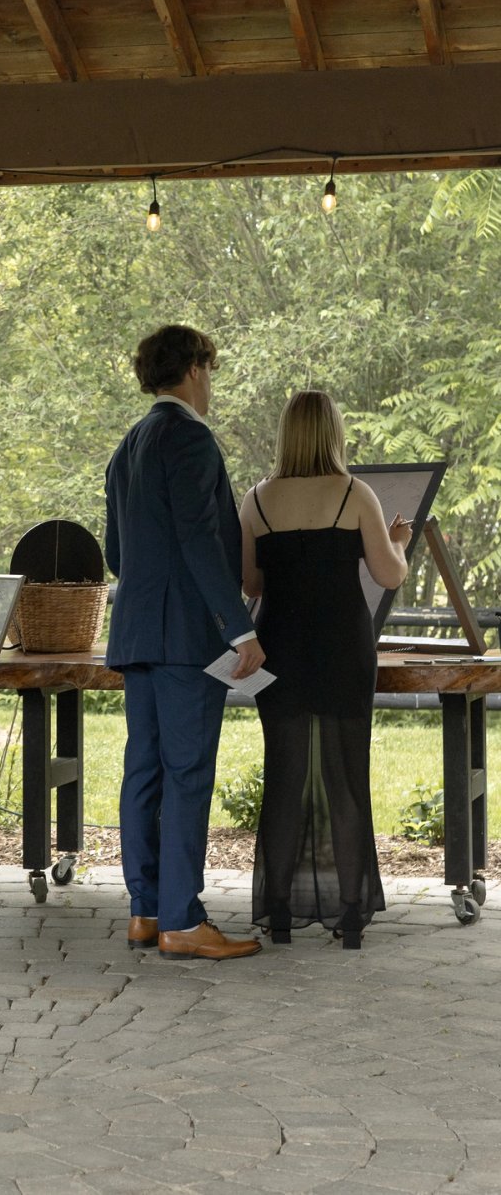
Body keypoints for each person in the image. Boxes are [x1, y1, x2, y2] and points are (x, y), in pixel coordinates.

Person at [105, 324, 264, 962]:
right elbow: (203, 540)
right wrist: (239, 627)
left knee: (141, 772)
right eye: (211, 370)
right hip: (187, 639)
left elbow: (118, 551)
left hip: (136, 631)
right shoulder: (192, 440)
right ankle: (182, 918)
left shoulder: (130, 444)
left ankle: (144, 910)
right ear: (195, 368)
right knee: (188, 772)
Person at [239, 389, 411, 949]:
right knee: (346, 777)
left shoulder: (257, 501)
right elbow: (388, 576)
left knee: (284, 778)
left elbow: (252, 586)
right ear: (334, 432)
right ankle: (352, 914)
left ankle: (281, 911)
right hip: (343, 649)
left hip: (279, 649)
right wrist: (399, 542)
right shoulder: (354, 493)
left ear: (286, 434)